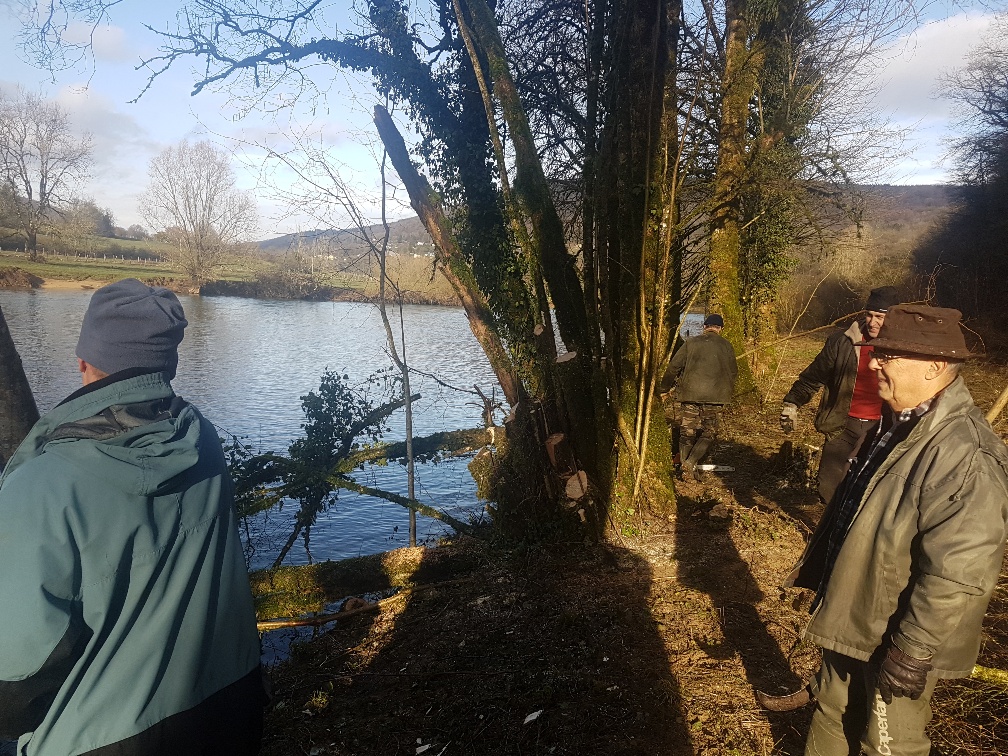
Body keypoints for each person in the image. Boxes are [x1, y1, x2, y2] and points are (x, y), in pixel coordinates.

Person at [0, 279, 265, 756]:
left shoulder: (42, 483)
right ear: (168, 364)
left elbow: (17, 681)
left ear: (83, 361)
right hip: (224, 710)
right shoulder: (202, 441)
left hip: (101, 738)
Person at [785, 304, 1008, 756]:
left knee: (888, 745)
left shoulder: (965, 454)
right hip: (856, 614)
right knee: (831, 714)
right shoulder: (894, 425)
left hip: (897, 636)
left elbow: (959, 571)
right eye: (877, 353)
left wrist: (912, 651)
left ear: (935, 367)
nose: (873, 363)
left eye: (888, 356)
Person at [781, 286, 900, 504]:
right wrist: (792, 403)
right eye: (869, 315)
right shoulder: (843, 341)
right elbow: (814, 376)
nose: (873, 322)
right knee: (829, 485)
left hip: (881, 429)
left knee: (870, 489)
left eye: (880, 317)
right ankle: (828, 522)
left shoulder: (903, 349)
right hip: (842, 425)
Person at [662, 313, 738, 480]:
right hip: (715, 397)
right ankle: (690, 463)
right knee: (709, 431)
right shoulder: (727, 345)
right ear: (720, 328)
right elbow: (733, 372)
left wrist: (664, 388)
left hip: (689, 394)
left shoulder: (691, 343)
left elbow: (673, 367)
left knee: (687, 431)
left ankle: (685, 467)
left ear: (704, 327)